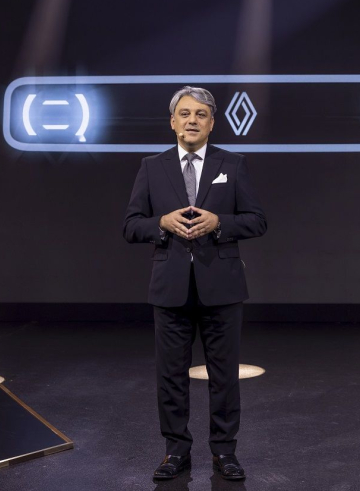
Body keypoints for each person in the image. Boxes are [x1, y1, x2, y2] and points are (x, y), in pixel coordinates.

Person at [123, 86, 267, 481]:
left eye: (200, 115)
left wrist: (220, 222)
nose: (191, 120)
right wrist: (160, 224)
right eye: (184, 114)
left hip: (222, 288)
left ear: (212, 123)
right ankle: (175, 452)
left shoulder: (233, 164)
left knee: (224, 376)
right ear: (172, 122)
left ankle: (224, 453)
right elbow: (131, 225)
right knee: (170, 376)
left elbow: (257, 220)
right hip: (170, 287)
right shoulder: (152, 166)